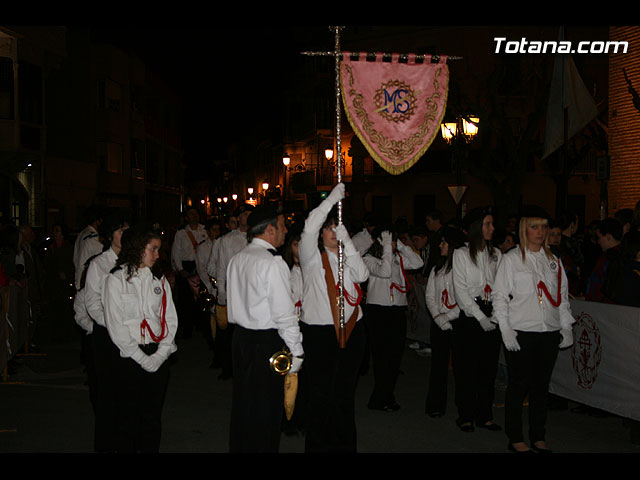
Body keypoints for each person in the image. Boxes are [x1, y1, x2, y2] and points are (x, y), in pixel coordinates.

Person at [492, 207, 574, 453]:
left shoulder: (553, 260)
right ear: (524, 229)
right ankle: (515, 436)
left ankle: (539, 435)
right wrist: (505, 329)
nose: (541, 232)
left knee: (541, 387)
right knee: (519, 386)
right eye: (535, 227)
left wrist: (566, 326)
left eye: (544, 227)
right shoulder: (512, 259)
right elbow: (499, 296)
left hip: (547, 332)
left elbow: (561, 296)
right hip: (521, 332)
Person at [298, 182, 369, 453]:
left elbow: (362, 276)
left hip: (352, 330)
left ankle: (344, 446)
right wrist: (331, 201)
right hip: (320, 333)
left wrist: (347, 242)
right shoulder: (311, 257)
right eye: (327, 228)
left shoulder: (347, 255)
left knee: (343, 395)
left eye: (335, 227)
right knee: (320, 395)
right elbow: (308, 228)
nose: (331, 232)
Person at [226, 205, 303, 453]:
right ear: (270, 229)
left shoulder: (238, 258)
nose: (285, 231)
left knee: (244, 406)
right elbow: (284, 314)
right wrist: (297, 351)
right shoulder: (273, 262)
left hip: (240, 339)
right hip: (265, 342)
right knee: (267, 410)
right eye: (282, 226)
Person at [103, 225, 178, 453]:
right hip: (128, 357)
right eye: (153, 249)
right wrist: (142, 359)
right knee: (127, 418)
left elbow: (170, 319)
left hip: (156, 353)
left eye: (158, 250)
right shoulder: (116, 279)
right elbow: (116, 326)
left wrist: (161, 354)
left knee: (152, 417)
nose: (157, 255)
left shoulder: (159, 279)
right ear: (137, 249)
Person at [80, 210, 129, 452]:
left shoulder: (134, 261)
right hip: (107, 335)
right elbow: (91, 302)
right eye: (121, 231)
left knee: (128, 396)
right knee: (107, 396)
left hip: (129, 335)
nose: (125, 235)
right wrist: (113, 325)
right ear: (110, 236)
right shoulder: (99, 263)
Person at [451, 206, 502, 433]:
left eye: (492, 224)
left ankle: (485, 414)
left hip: (492, 309)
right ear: (476, 228)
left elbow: (501, 287)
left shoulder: (496, 254)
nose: (492, 228)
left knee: (488, 368)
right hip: (471, 315)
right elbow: (461, 292)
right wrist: (481, 317)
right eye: (487, 224)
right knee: (467, 368)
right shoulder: (461, 254)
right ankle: (466, 414)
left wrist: (498, 314)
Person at [362, 227, 423, 412]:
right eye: (390, 240)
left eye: (394, 240)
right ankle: (379, 398)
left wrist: (403, 247)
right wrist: (387, 248)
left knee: (395, 358)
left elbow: (418, 262)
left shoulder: (398, 258)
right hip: (378, 312)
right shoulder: (368, 259)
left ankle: (387, 396)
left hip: (396, 310)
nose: (393, 244)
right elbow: (385, 272)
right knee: (381, 358)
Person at [425, 225, 467, 418]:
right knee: (438, 365)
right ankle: (435, 404)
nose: (440, 245)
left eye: (444, 242)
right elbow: (430, 296)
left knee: (461, 367)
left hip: (458, 321)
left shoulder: (463, 269)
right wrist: (437, 317)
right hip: (439, 321)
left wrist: (449, 317)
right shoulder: (437, 269)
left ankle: (464, 408)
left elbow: (465, 297)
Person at [214, 204, 253, 379]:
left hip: (253, 293)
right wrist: (221, 292)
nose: (247, 216)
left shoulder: (257, 238)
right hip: (234, 292)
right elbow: (222, 266)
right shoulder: (228, 240)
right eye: (244, 213)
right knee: (232, 334)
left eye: (250, 213)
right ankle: (229, 368)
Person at [171, 207, 208, 338]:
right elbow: (176, 252)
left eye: (196, 213)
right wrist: (180, 269)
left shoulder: (204, 230)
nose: (194, 216)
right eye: (191, 214)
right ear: (186, 217)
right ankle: (187, 327)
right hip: (187, 266)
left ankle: (202, 325)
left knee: (202, 297)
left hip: (202, 266)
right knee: (186, 299)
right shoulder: (181, 233)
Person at [585, 217, 623, 303]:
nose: (598, 242)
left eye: (599, 237)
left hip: (603, 306)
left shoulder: (607, 259)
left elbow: (596, 285)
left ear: (608, 237)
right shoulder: (626, 255)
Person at [73, 205, 105, 290]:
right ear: (97, 221)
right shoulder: (93, 239)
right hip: (87, 284)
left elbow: (76, 259)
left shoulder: (82, 234)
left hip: (80, 281)